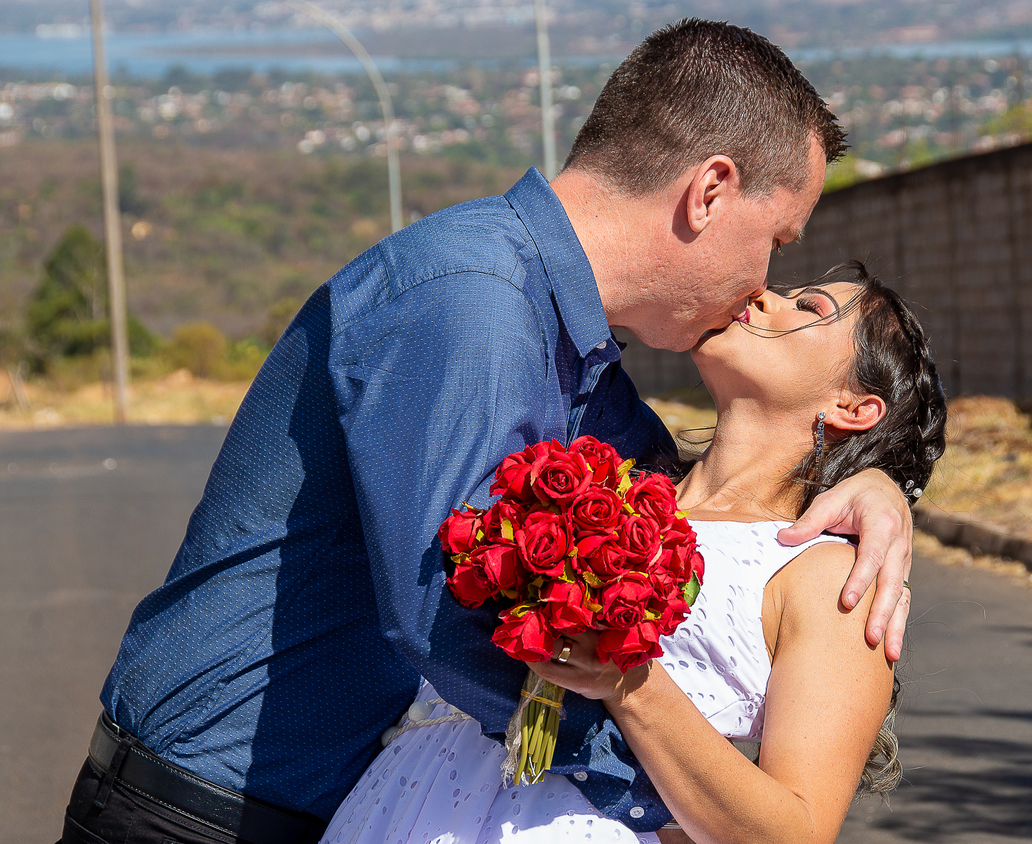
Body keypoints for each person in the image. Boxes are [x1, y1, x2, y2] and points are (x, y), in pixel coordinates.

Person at [59, 20, 916, 844]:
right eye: (778, 238)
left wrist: (874, 484)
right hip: (207, 811)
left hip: (322, 805)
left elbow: (676, 494)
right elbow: (451, 617)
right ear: (710, 191)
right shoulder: (474, 302)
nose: (765, 278)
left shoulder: (562, 342)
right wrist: (665, 799)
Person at [320, 261, 948, 844]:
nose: (761, 295)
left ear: (855, 407)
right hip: (403, 804)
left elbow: (796, 831)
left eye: (806, 308)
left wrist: (630, 683)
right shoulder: (605, 478)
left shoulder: (832, 573)